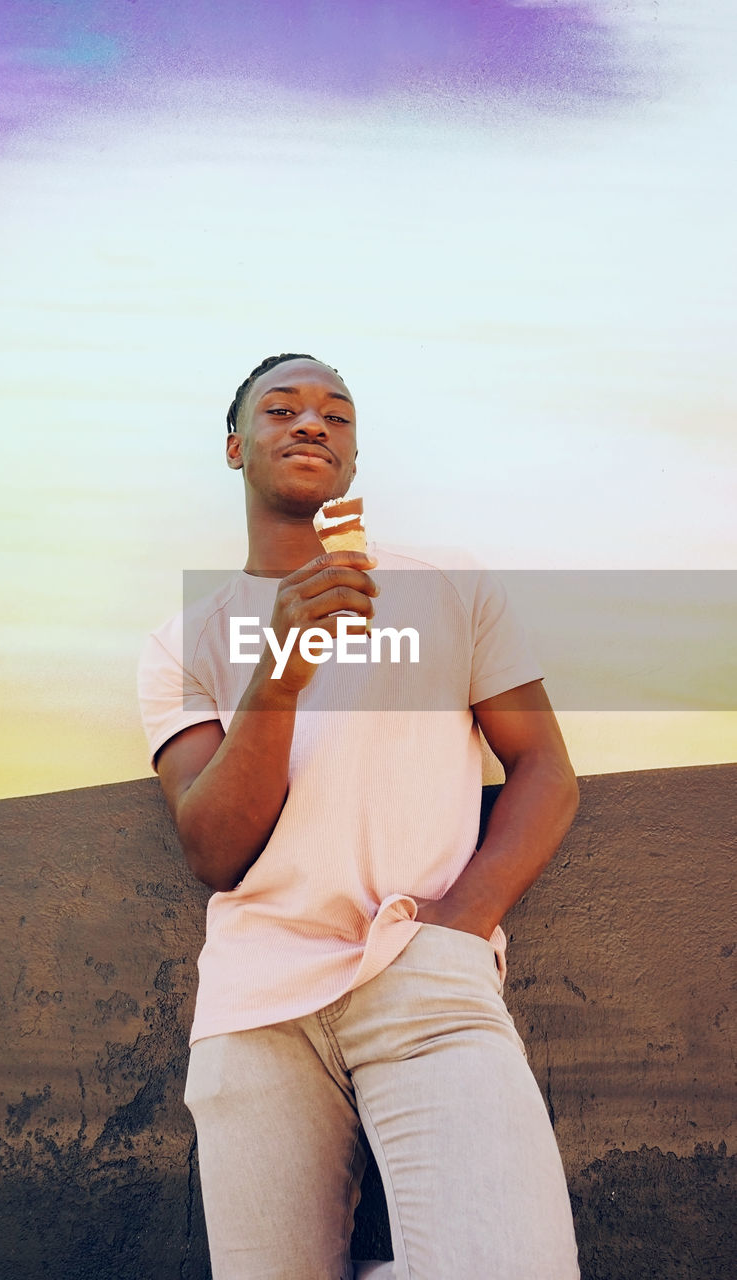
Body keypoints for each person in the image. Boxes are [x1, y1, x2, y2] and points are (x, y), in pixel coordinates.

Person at [138, 353, 581, 1279]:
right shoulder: (184, 642)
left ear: (352, 456)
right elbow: (215, 849)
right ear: (234, 448)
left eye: (337, 416)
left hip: (426, 982)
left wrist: (456, 932)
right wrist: (284, 669)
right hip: (255, 1011)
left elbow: (543, 768)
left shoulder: (447, 585)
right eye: (283, 409)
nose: (312, 424)